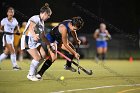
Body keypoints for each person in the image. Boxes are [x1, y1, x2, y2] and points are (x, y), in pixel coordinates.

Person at [21, 3, 52, 81]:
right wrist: (34, 35)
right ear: (45, 13)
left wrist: (49, 44)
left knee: (44, 55)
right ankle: (30, 75)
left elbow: (42, 36)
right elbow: (31, 28)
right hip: (27, 39)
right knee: (37, 57)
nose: (49, 17)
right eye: (48, 15)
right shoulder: (35, 18)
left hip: (35, 41)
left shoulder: (42, 22)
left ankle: (33, 71)